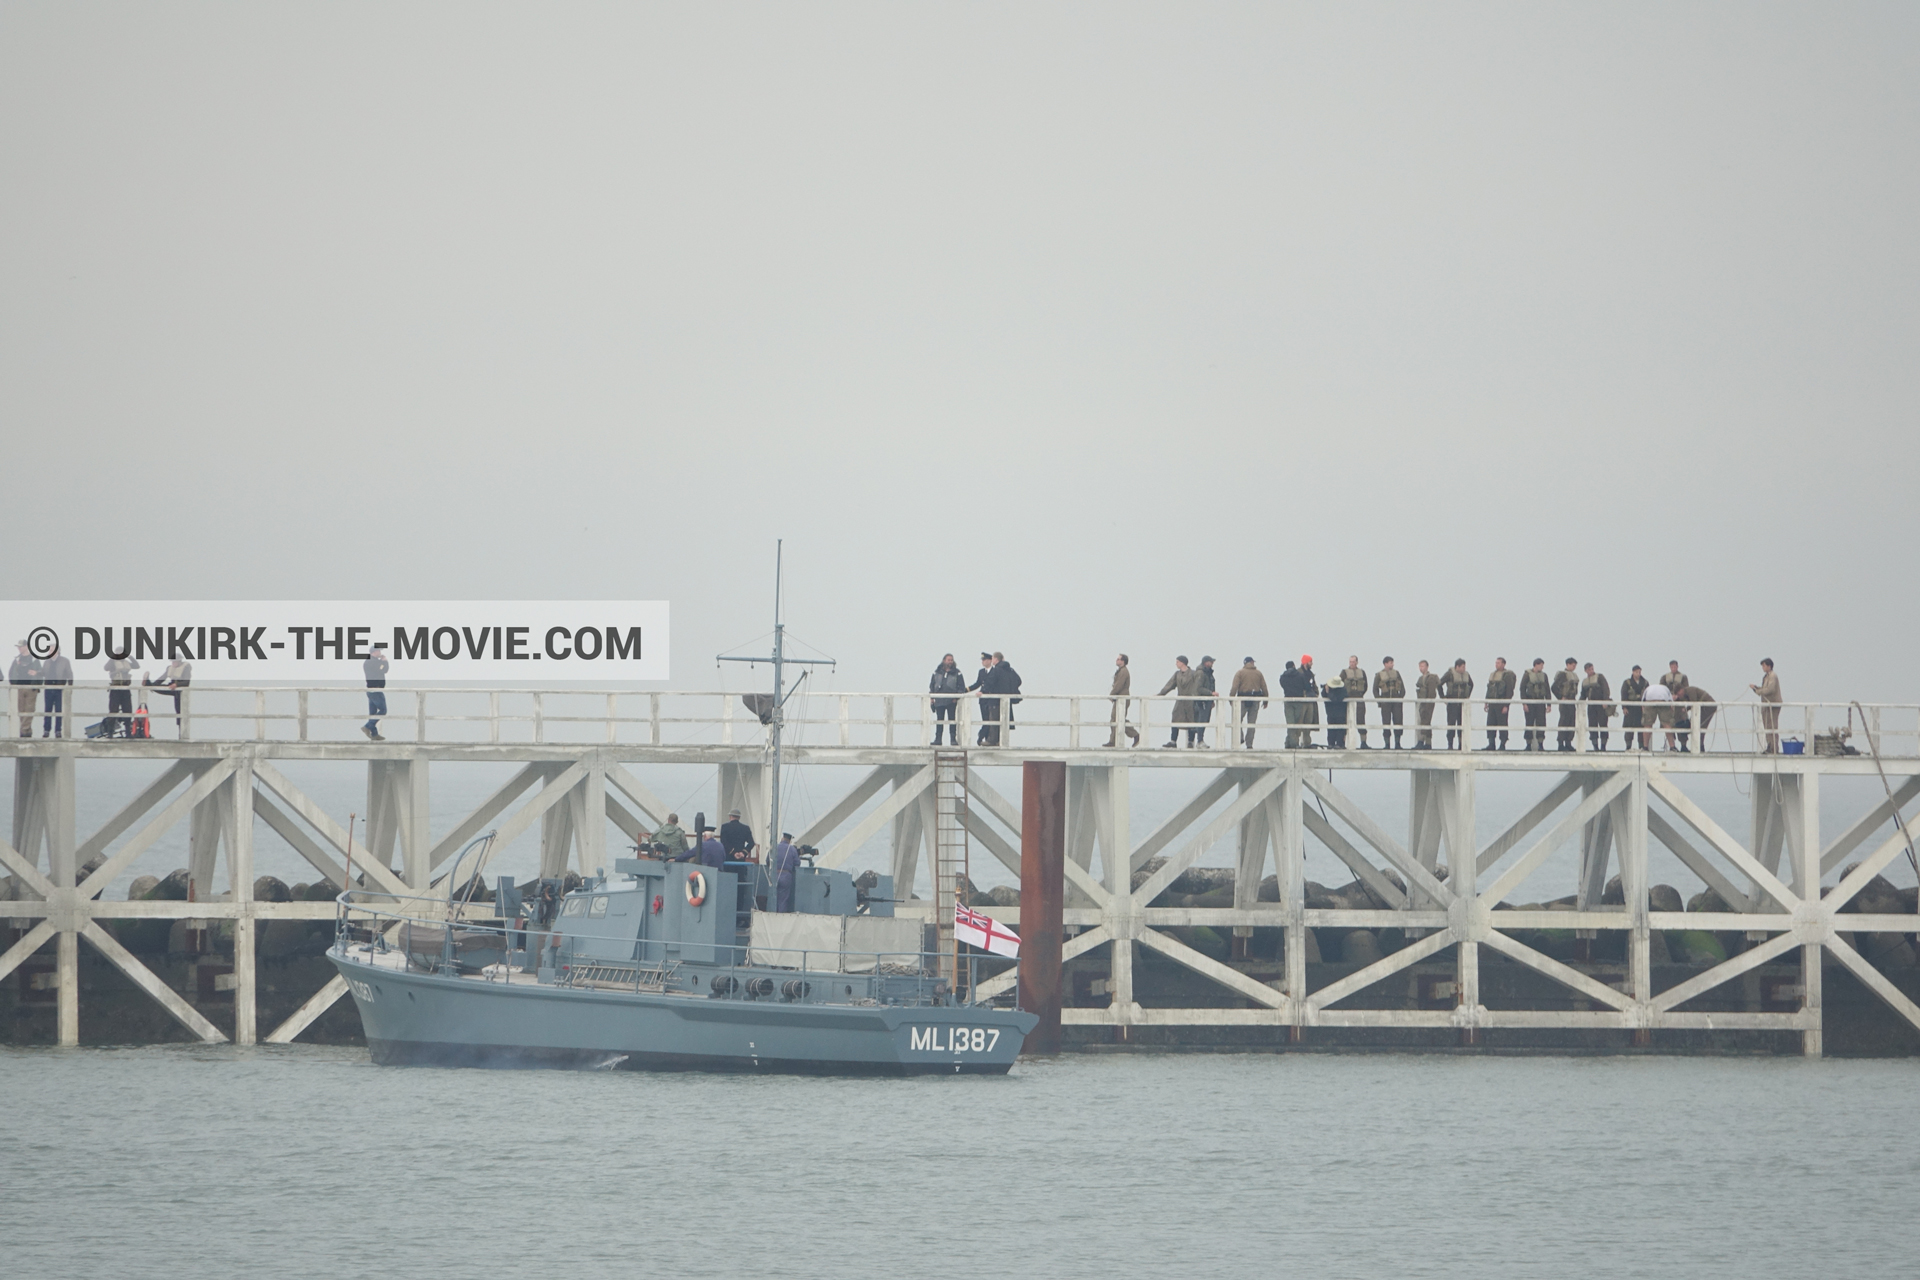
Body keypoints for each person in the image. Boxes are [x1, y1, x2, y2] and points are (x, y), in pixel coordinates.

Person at [1159, 656, 1204, 747]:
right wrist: (1161, 694)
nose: (1176, 664)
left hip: (1191, 701)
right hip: (1180, 701)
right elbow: (1170, 685)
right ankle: (1173, 741)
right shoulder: (1177, 674)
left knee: (1191, 719)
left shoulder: (1193, 673)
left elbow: (1199, 687)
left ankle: (1190, 741)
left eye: (1177, 662)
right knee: (1175, 717)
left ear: (1182, 663)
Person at [1229, 657, 1268, 748]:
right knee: (1251, 723)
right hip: (1255, 700)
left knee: (1237, 720)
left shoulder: (1240, 673)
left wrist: (1231, 698)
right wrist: (1266, 700)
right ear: (1251, 662)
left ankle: (1240, 737)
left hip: (1242, 700)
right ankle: (1249, 744)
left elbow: (1234, 687)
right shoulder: (1259, 673)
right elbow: (1264, 687)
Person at [928, 653, 966, 745]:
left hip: (951, 701)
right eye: (948, 660)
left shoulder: (957, 673)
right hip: (939, 700)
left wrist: (956, 697)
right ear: (944, 660)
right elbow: (932, 686)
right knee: (939, 720)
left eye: (951, 660)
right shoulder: (936, 672)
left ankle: (953, 739)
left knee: (952, 720)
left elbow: (961, 687)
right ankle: (938, 739)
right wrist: (932, 697)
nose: (950, 662)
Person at [149, 655, 191, 735]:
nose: (173, 663)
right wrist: (153, 685)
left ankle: (181, 734)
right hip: (172, 688)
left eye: (175, 661)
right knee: (158, 688)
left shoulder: (186, 667)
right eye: (172, 661)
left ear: (179, 661)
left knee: (180, 711)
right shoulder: (170, 668)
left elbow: (186, 682)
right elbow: (162, 678)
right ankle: (149, 684)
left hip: (180, 692)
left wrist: (177, 684)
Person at [104, 652, 141, 737]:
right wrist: (113, 657)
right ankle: (110, 733)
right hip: (115, 689)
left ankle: (128, 732)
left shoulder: (126, 663)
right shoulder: (113, 663)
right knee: (113, 710)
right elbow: (106, 668)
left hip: (125, 689)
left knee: (127, 710)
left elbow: (137, 666)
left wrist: (130, 657)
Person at [1438, 659, 1473, 750]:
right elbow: (1439, 684)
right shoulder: (1449, 674)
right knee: (1451, 724)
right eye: (1462, 667)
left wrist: (1467, 696)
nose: (1464, 669)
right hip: (1452, 703)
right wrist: (1443, 697)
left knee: (1462, 724)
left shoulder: (1466, 675)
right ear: (1457, 667)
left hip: (1462, 704)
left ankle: (1461, 744)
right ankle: (1450, 745)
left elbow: (1471, 684)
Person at [40, 642, 72, 739]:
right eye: (49, 650)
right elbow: (43, 673)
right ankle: (46, 730)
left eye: (52, 649)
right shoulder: (47, 661)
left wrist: (70, 688)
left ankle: (58, 731)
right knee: (47, 710)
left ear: (57, 651)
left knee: (59, 710)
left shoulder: (64, 661)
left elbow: (69, 674)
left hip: (59, 689)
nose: (50, 652)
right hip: (49, 689)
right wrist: (36, 673)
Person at [1106, 654, 1139, 748]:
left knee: (1117, 719)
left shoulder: (1124, 672)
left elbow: (1119, 684)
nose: (1116, 660)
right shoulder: (1121, 671)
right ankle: (1114, 740)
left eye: (1118, 659)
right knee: (1117, 719)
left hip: (1122, 699)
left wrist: (1112, 694)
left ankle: (1133, 735)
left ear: (1123, 661)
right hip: (1120, 698)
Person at [1516, 659, 1549, 751]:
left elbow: (1547, 689)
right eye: (1541, 665)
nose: (1542, 667)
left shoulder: (1544, 676)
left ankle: (1541, 743)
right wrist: (1524, 703)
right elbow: (1522, 689)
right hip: (1530, 701)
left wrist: (1549, 704)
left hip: (1540, 702)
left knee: (1541, 722)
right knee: (1529, 722)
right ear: (1536, 665)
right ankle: (1528, 744)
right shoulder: (1527, 675)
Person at [10, 640, 41, 738]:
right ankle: (27, 731)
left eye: (21, 646)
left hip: (31, 688)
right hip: (19, 687)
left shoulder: (34, 659)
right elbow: (11, 673)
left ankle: (23, 731)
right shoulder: (16, 660)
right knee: (21, 709)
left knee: (29, 709)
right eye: (18, 647)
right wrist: (14, 684)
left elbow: (41, 673)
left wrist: (36, 675)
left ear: (26, 646)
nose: (19, 648)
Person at [1673, 684, 1718, 752]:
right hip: (1701, 708)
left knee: (1700, 725)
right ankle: (1697, 746)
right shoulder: (1684, 694)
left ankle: (1700, 746)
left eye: (1678, 693)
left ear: (1681, 690)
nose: (1679, 695)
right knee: (1696, 726)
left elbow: (1694, 702)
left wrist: (1686, 709)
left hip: (1708, 707)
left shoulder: (1690, 691)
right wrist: (1676, 699)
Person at [1483, 658, 1515, 751]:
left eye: (1498, 663)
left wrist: (1506, 705)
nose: (1496, 664)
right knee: (1490, 723)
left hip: (1501, 703)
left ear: (1503, 664)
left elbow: (1509, 691)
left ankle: (1502, 744)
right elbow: (1489, 689)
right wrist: (1486, 702)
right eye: (1496, 663)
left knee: (1502, 724)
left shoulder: (1507, 676)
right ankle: (1491, 744)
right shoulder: (1493, 675)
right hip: (1492, 703)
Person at [1373, 657, 1405, 749]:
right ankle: (1387, 744)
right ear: (1385, 664)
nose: (1392, 664)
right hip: (1385, 700)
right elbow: (1375, 689)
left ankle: (1398, 743)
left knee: (1398, 721)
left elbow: (1402, 688)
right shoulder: (1379, 675)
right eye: (1390, 663)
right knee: (1386, 722)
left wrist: (1400, 698)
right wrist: (1379, 700)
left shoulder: (1397, 673)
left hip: (1396, 700)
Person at [1581, 663, 1614, 751]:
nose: (1591, 671)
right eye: (1588, 669)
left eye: (1591, 669)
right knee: (1592, 725)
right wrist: (1579, 704)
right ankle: (1595, 746)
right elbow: (1583, 695)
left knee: (1603, 724)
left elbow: (1606, 689)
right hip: (1591, 705)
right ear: (1585, 671)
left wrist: (1605, 700)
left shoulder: (1600, 677)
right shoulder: (1585, 681)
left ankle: (1603, 746)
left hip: (1601, 705)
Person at [1752, 659, 1783, 753]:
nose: (1763, 668)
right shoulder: (1766, 677)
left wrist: (1758, 691)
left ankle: (1774, 748)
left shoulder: (1773, 676)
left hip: (1773, 705)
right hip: (1767, 705)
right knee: (1767, 726)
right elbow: (1765, 688)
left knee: (1772, 726)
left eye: (1764, 665)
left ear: (1769, 666)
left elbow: (1770, 689)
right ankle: (1770, 746)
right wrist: (1756, 688)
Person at [969, 652, 998, 745]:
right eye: (982, 660)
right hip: (983, 700)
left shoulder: (995, 671)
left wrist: (984, 691)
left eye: (984, 660)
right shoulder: (981, 672)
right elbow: (978, 683)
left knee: (991, 720)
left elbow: (992, 684)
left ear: (990, 660)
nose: (983, 662)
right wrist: (966, 689)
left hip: (991, 700)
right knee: (985, 719)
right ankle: (985, 738)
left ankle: (982, 737)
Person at [1340, 656, 1370, 747]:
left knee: (1361, 719)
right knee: (1345, 720)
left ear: (1357, 662)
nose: (1352, 663)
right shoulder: (1344, 672)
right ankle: (1343, 743)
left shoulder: (1362, 672)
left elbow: (1366, 686)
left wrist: (1360, 694)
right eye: (1350, 662)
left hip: (1359, 698)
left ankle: (1363, 742)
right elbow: (1340, 684)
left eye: (1353, 662)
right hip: (1347, 699)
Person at [1551, 658, 1580, 751]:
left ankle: (1568, 742)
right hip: (1565, 701)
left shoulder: (1574, 676)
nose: (1574, 667)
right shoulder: (1562, 675)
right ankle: (1560, 743)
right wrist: (1560, 697)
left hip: (1572, 701)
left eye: (1575, 665)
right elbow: (1554, 687)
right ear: (1568, 664)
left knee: (1572, 721)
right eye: (1572, 665)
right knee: (1564, 720)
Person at [362, 643, 389, 741]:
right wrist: (385, 662)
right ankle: (368, 726)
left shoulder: (370, 661)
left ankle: (374, 734)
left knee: (373, 713)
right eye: (379, 651)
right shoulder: (372, 662)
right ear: (374, 652)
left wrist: (382, 662)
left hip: (370, 689)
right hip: (375, 689)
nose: (380, 653)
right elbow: (384, 670)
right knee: (383, 710)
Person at [1620, 665, 1650, 750]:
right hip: (1630, 708)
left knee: (1641, 727)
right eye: (1636, 672)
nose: (1638, 674)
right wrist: (1624, 707)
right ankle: (1628, 746)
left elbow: (1648, 694)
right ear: (1633, 672)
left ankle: (1642, 746)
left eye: (1639, 672)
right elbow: (1624, 695)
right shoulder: (1627, 683)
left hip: (1641, 708)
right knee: (1629, 728)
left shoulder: (1645, 683)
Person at [1279, 661, 1307, 748]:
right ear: (1294, 666)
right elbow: (1306, 686)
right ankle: (1293, 744)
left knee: (1290, 722)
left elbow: (1282, 685)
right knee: (1296, 722)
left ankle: (1288, 742)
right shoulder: (1300, 676)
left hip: (1288, 701)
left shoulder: (1283, 677)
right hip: (1298, 701)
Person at [1642, 677, 1675, 750]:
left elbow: (1643, 702)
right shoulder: (1666, 689)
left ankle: (1645, 747)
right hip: (1663, 699)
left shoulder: (1649, 688)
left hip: (1649, 699)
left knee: (1647, 724)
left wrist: (1644, 710)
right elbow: (1671, 703)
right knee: (1667, 724)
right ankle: (1672, 746)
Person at [1412, 659, 1439, 749]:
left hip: (1427, 703)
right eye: (1420, 666)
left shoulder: (1430, 678)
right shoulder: (1421, 678)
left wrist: (1428, 703)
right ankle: (1427, 743)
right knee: (1424, 721)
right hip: (1422, 702)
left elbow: (1431, 692)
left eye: (1422, 666)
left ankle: (1422, 741)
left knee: (1425, 721)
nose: (1421, 668)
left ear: (1427, 667)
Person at [771, 833, 800, 912]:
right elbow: (797, 863)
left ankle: (771, 915)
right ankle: (780, 917)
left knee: (772, 897)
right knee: (783, 900)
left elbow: (768, 860)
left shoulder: (774, 847)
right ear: (790, 840)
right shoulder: (792, 849)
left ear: (782, 838)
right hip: (786, 875)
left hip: (774, 874)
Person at [1193, 657, 1218, 746]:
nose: (1212, 663)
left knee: (1204, 720)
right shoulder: (1201, 673)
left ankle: (1199, 740)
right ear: (1206, 662)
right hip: (1202, 701)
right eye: (1211, 662)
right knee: (1201, 720)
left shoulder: (1208, 673)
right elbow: (1198, 688)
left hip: (1207, 701)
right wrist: (1211, 693)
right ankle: (1199, 741)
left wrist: (1211, 700)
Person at [1322, 670, 1349, 748]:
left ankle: (1339, 744)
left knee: (1339, 729)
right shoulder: (1343, 690)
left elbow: (1335, 699)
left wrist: (1328, 692)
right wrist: (1326, 690)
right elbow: (1323, 694)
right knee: (1332, 729)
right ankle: (1331, 744)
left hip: (1338, 713)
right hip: (1334, 713)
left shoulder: (1342, 691)